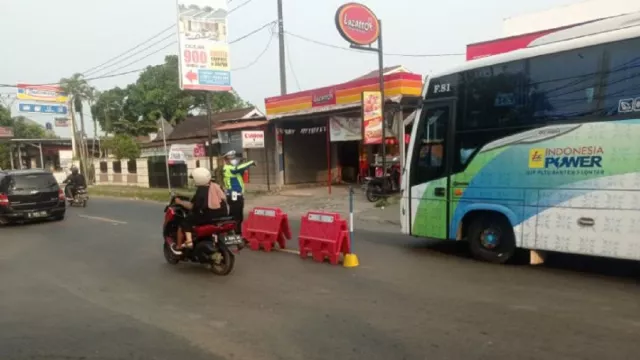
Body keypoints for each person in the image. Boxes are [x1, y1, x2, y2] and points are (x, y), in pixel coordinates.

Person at [171, 167, 229, 255]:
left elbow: (192, 206)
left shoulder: (201, 190)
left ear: (199, 179)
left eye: (194, 179)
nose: (193, 181)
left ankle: (184, 244)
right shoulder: (216, 186)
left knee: (185, 222)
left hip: (208, 216)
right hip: (223, 215)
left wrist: (180, 202)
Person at [221, 150, 255, 233]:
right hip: (234, 196)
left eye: (234, 158)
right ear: (226, 160)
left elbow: (240, 170)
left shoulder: (232, 168)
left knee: (237, 217)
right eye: (231, 158)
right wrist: (251, 162)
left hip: (237, 195)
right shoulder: (228, 168)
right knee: (236, 218)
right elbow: (238, 168)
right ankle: (234, 235)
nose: (234, 160)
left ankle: (235, 234)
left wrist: (241, 162)